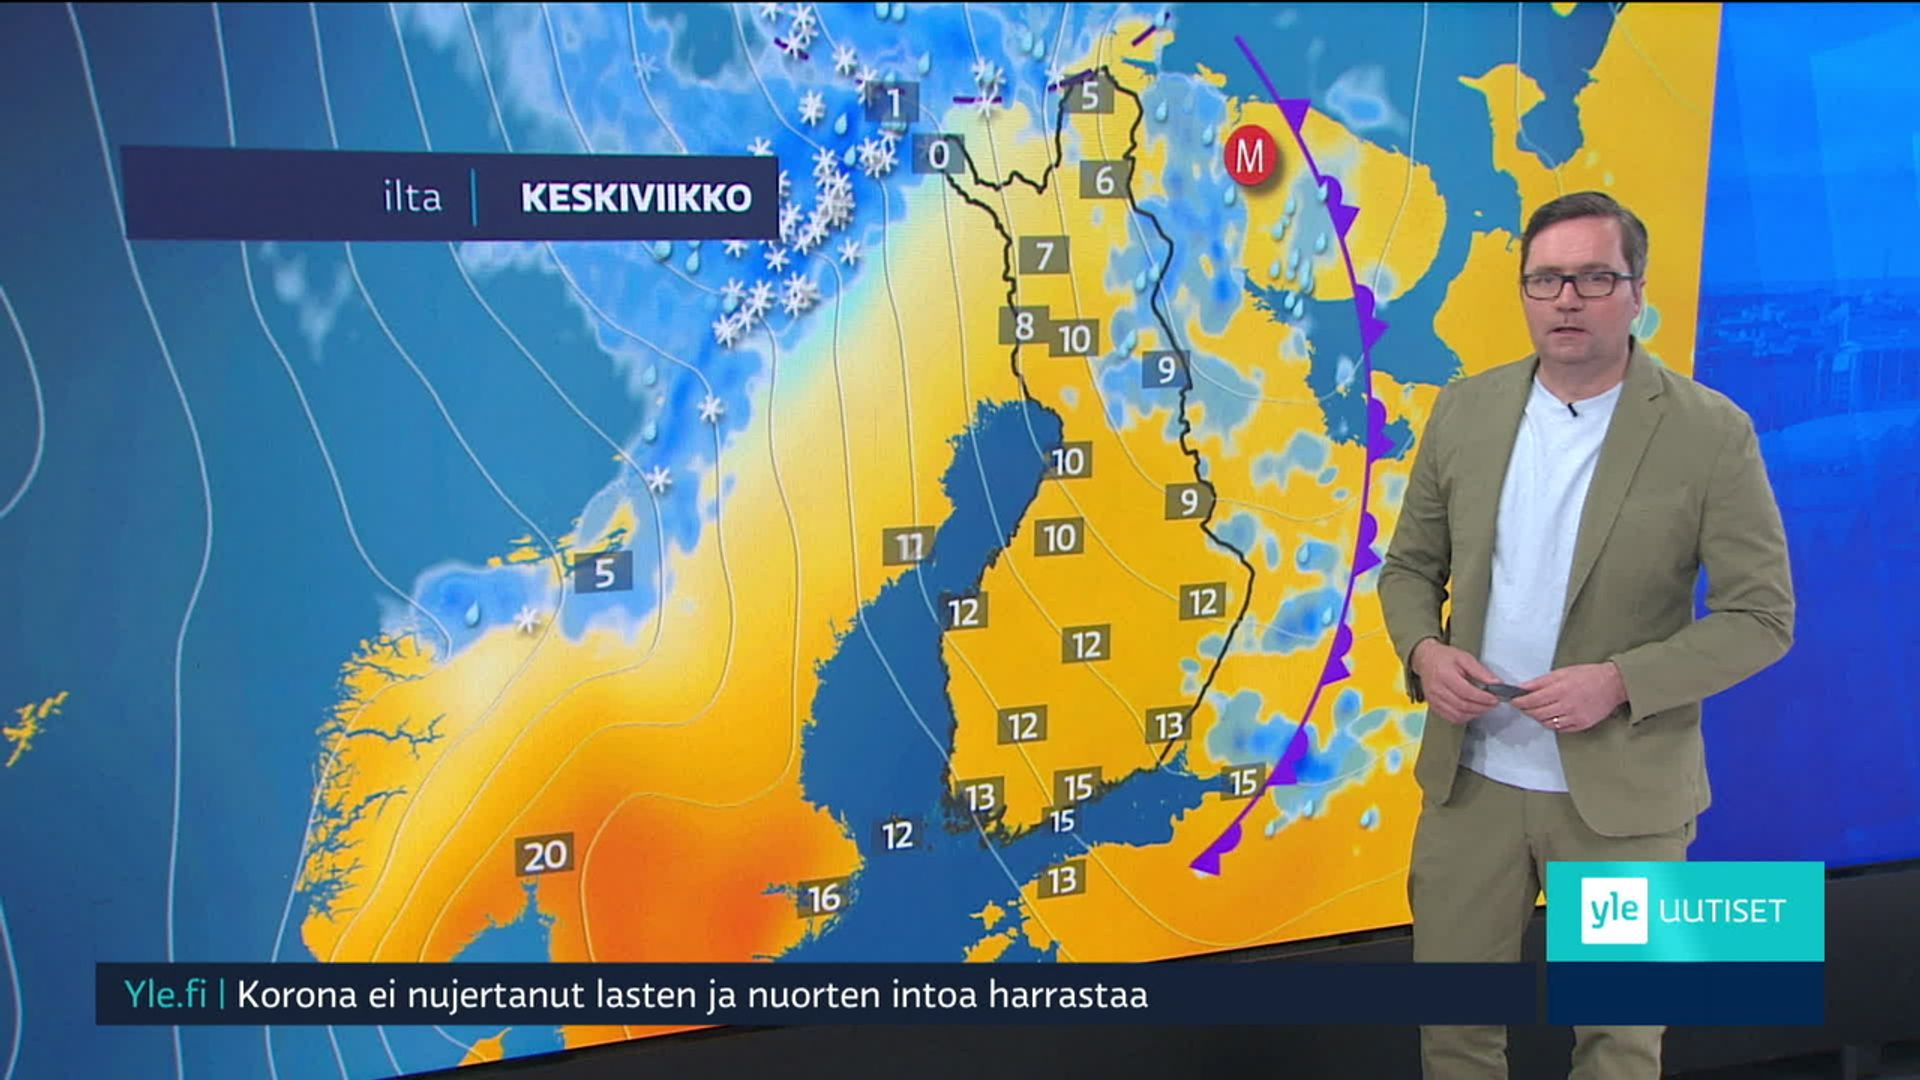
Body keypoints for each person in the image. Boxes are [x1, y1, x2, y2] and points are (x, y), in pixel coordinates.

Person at [1378, 190, 1796, 1080]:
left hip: (1625, 799)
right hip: (1471, 787)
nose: (1566, 299)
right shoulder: (1465, 411)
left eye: (1594, 278)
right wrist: (1422, 650)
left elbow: (1762, 617)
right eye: (1546, 279)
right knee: (1454, 1034)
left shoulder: (1711, 433)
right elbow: (1407, 569)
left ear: (1636, 292)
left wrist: (1621, 681)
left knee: (1619, 1042)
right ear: (1525, 291)